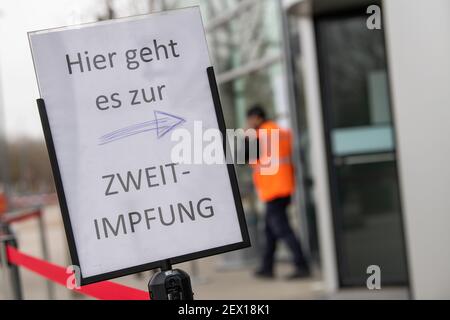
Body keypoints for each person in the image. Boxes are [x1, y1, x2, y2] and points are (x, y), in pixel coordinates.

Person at [245, 105, 310, 279]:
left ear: (256, 118)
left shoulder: (260, 135)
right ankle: (267, 267)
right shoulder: (281, 132)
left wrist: (246, 136)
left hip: (273, 189)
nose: (249, 123)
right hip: (284, 186)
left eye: (249, 120)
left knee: (282, 230)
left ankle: (302, 265)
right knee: (269, 231)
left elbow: (243, 156)